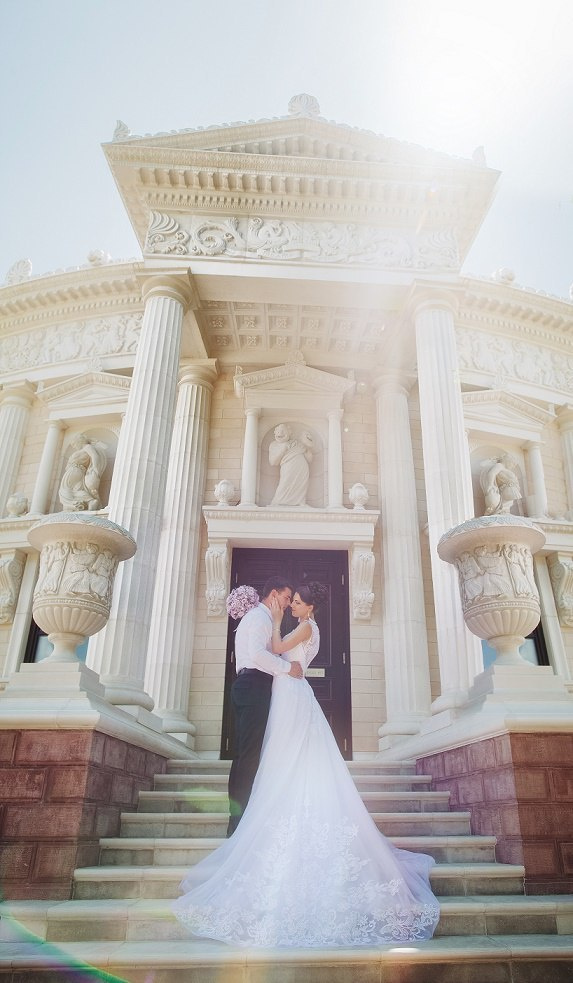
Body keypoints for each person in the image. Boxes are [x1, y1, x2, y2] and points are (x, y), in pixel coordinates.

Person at [173, 582, 440, 948]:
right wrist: (274, 628)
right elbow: (272, 653)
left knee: (290, 753)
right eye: (289, 599)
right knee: (281, 755)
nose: (292, 604)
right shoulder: (285, 622)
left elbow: (277, 650)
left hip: (291, 693)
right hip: (283, 690)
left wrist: (279, 620)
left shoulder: (305, 626)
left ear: (309, 606)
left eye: (297, 601)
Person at [225, 577, 302, 836]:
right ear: (272, 594)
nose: (289, 603)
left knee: (246, 754)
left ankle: (239, 819)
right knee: (248, 756)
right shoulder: (259, 618)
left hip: (251, 686)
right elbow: (257, 655)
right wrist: (288, 668)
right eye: (286, 597)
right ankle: (239, 822)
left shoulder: (264, 619)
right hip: (252, 685)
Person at [269, 423, 314, 506]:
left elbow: (310, 459)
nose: (280, 433)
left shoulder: (297, 443)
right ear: (275, 433)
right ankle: (278, 502)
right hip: (288, 468)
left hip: (302, 469)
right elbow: (273, 462)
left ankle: (300, 501)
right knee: (285, 483)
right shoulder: (274, 445)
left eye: (283, 431)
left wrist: (308, 445)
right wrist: (284, 448)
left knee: (300, 486)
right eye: (278, 431)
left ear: (289, 433)